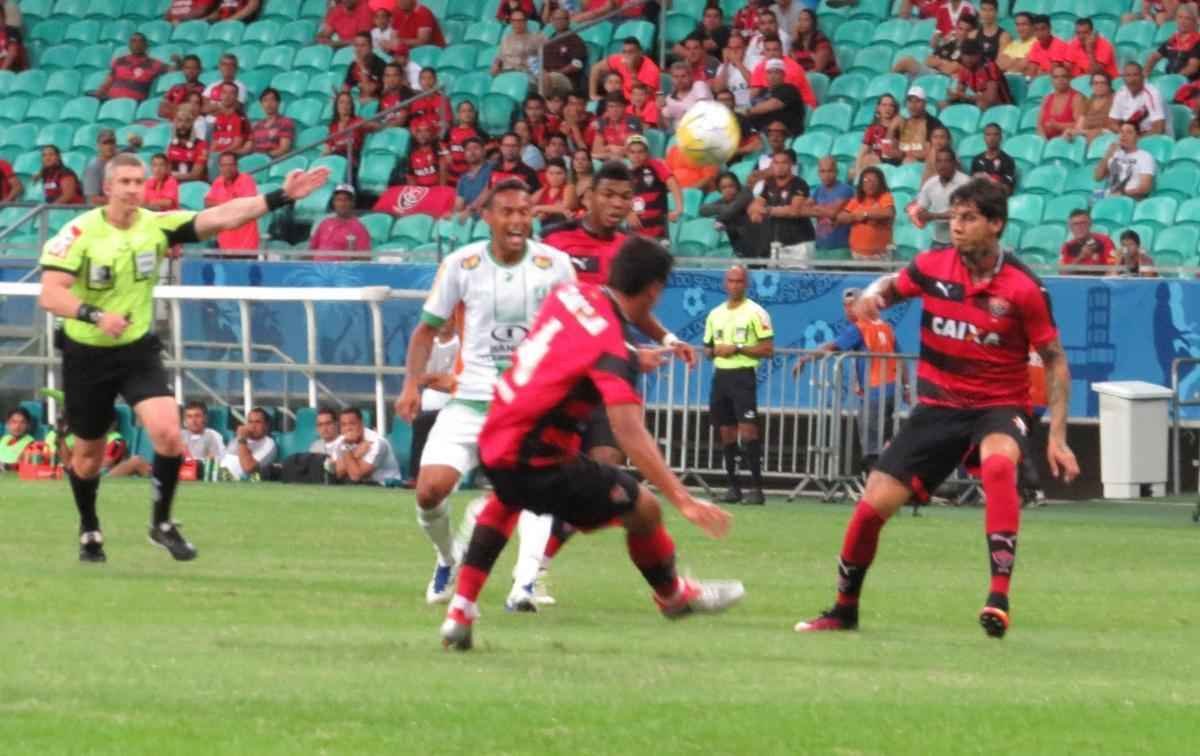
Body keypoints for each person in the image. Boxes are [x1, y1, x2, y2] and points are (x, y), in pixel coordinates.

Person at [794, 177, 1079, 638]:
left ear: (996, 225)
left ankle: (998, 596)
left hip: (998, 404)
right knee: (871, 509)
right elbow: (893, 287)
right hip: (936, 406)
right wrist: (873, 297)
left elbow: (1055, 360)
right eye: (955, 217)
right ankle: (844, 609)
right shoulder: (933, 265)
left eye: (968, 218)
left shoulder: (1025, 289)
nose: (958, 227)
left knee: (999, 467)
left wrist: (1059, 437)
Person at [439, 237, 743, 651]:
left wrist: (637, 356)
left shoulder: (570, 294)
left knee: (506, 497)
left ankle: (460, 610)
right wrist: (682, 498)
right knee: (645, 508)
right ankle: (672, 595)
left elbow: (570, 347)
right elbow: (628, 429)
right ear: (654, 290)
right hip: (539, 458)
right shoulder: (612, 351)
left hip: (496, 434)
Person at [36, 153, 329, 561]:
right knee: (87, 457)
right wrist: (95, 315)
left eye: (139, 182)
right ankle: (89, 528)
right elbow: (51, 293)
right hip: (87, 353)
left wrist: (280, 196)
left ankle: (162, 523)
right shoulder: (77, 233)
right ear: (107, 188)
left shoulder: (156, 226)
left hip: (136, 349)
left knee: (168, 433)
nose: (134, 189)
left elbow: (222, 217)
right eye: (125, 182)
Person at [394, 179, 576, 610]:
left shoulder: (558, 265)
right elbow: (425, 331)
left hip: (530, 404)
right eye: (509, 211)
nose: (518, 220)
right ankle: (446, 559)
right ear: (488, 217)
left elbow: (578, 325)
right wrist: (410, 384)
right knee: (429, 492)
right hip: (471, 400)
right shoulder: (462, 264)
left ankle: (524, 585)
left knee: (534, 492)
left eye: (525, 211)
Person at [793, 288, 905, 474]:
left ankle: (876, 485)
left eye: (853, 305)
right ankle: (889, 479)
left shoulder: (859, 328)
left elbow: (832, 347)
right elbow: (901, 357)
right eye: (845, 306)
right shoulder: (884, 326)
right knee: (884, 439)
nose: (849, 310)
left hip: (875, 392)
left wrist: (805, 358)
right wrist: (907, 388)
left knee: (872, 446)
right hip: (891, 391)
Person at [704, 264, 774, 505]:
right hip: (720, 377)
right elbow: (707, 348)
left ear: (746, 284)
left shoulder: (757, 312)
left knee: (749, 431)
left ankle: (757, 489)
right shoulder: (714, 314)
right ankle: (733, 488)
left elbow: (767, 349)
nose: (734, 285)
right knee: (726, 432)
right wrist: (713, 351)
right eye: (731, 281)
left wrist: (737, 348)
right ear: (725, 284)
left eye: (739, 281)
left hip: (743, 376)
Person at [409, 317, 459, 481]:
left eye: (448, 318)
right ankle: (415, 477)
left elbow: (454, 381)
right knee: (420, 427)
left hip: (453, 404)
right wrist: (439, 379)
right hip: (427, 403)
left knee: (424, 424)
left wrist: (432, 379)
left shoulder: (461, 345)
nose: (444, 321)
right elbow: (420, 377)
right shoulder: (429, 344)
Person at [749, 150, 816, 262]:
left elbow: (794, 211)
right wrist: (755, 212)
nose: (779, 166)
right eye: (776, 163)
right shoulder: (769, 184)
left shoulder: (799, 183)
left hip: (800, 243)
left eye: (783, 163)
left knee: (798, 278)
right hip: (778, 243)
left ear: (790, 165)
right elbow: (757, 204)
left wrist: (768, 210)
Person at [204, 152, 260, 256]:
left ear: (236, 166)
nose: (227, 168)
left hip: (246, 245)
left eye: (230, 165)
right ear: (219, 167)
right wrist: (230, 204)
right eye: (224, 165)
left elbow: (245, 206)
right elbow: (207, 203)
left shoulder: (246, 180)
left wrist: (220, 205)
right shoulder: (218, 182)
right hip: (225, 244)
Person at [328, 407, 401, 485]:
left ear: (361, 424)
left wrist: (347, 450)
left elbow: (355, 476)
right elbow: (338, 473)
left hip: (387, 485)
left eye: (352, 424)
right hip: (363, 485)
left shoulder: (377, 443)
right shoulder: (341, 442)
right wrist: (354, 453)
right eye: (343, 425)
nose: (348, 428)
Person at [838, 166, 896, 262]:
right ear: (861, 184)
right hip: (857, 253)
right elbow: (841, 217)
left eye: (874, 181)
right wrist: (854, 216)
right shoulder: (856, 200)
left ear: (880, 183)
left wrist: (865, 214)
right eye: (866, 181)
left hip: (880, 254)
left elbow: (889, 213)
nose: (870, 184)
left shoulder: (885, 197)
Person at [916, 148, 970, 249]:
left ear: (954, 163)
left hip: (961, 241)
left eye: (947, 161)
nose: (943, 165)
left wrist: (933, 216)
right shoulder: (930, 184)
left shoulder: (965, 183)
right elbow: (920, 210)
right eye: (939, 161)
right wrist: (922, 214)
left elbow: (961, 213)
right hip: (938, 240)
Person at [748, 34, 818, 109]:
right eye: (768, 50)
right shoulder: (760, 66)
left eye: (775, 49)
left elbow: (783, 97)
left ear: (781, 50)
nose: (772, 53)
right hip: (776, 103)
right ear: (763, 52)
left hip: (802, 107)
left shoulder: (793, 68)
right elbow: (753, 94)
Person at [95, 33, 166, 102]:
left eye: (140, 41)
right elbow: (108, 82)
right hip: (112, 102)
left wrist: (177, 63)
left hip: (134, 104)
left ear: (146, 45)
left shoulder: (154, 64)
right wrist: (99, 93)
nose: (137, 44)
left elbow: (172, 69)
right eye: (133, 41)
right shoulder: (119, 61)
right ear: (129, 45)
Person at [701, 171, 757, 258]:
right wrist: (722, 209)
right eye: (724, 187)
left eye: (731, 186)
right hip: (735, 240)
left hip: (751, 239)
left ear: (737, 186)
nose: (728, 190)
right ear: (719, 190)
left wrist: (718, 219)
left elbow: (731, 210)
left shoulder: (745, 193)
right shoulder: (724, 201)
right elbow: (703, 210)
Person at [945, 38, 1012, 110]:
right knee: (944, 104)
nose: (968, 58)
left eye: (972, 54)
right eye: (965, 54)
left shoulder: (989, 67)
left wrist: (964, 96)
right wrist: (954, 95)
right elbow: (960, 92)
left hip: (1001, 106)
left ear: (979, 54)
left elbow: (990, 99)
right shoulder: (964, 68)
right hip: (978, 102)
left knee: (981, 105)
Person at [1095, 122, 1157, 200]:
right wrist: (1108, 154)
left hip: (1130, 198)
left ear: (1137, 137)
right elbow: (1097, 177)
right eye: (1121, 132)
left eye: (1129, 132)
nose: (1124, 135)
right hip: (1111, 195)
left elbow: (1145, 187)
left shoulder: (1145, 157)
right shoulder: (1115, 154)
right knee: (1091, 198)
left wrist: (1122, 194)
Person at [309, 184, 371, 262]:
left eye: (346, 200)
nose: (342, 204)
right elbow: (310, 251)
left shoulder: (359, 228)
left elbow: (366, 258)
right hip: (316, 269)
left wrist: (351, 257)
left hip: (340, 271)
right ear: (334, 203)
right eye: (339, 200)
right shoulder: (325, 223)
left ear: (352, 203)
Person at [589, 37, 661, 102]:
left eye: (631, 52)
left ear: (640, 53)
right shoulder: (620, 59)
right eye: (624, 52)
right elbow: (595, 68)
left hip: (643, 106)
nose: (627, 55)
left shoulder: (651, 70)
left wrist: (631, 68)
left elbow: (642, 99)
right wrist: (593, 95)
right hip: (622, 102)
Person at [748, 58, 806, 134]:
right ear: (765, 75)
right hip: (760, 132)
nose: (773, 76)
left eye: (777, 72)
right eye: (769, 73)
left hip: (783, 133)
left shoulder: (789, 89)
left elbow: (772, 105)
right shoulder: (762, 91)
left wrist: (747, 111)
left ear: (783, 75)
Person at [1109, 62, 1167, 136]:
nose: (1132, 79)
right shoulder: (1121, 93)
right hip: (1130, 135)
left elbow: (1159, 128)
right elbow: (1112, 122)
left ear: (1142, 77)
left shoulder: (1152, 94)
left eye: (1135, 75)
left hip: (1154, 138)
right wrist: (1125, 134)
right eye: (1128, 75)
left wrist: (1135, 138)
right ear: (1123, 78)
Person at [219, 407, 277, 480]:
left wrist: (242, 439)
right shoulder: (238, 439)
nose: (253, 426)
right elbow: (221, 459)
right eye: (250, 422)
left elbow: (248, 467)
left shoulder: (268, 443)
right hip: (219, 477)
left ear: (266, 425)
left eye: (257, 422)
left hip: (238, 482)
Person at [811, 157, 855, 252]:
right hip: (820, 246)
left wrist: (816, 209)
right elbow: (805, 208)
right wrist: (820, 210)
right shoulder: (818, 190)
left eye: (830, 171)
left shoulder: (846, 189)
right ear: (818, 173)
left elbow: (832, 213)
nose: (826, 175)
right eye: (822, 171)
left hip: (840, 247)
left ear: (836, 172)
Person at [207, 83, 251, 178]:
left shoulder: (240, 118)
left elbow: (237, 144)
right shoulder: (219, 117)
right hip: (219, 155)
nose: (227, 96)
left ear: (236, 97)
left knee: (217, 159)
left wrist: (219, 154)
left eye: (232, 93)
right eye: (224, 92)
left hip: (231, 156)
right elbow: (215, 141)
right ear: (220, 95)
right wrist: (210, 153)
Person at [1146, 4, 1200, 79]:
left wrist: (1174, 79)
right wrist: (1145, 73)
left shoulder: (1197, 41)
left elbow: (1192, 68)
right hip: (1169, 80)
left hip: (1188, 84)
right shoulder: (1172, 40)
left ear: (1194, 22)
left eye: (1187, 18)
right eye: (1180, 17)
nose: (1182, 21)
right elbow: (1154, 57)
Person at [855, 95, 903, 177]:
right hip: (876, 164)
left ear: (895, 108)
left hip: (894, 164)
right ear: (878, 108)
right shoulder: (872, 129)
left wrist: (892, 128)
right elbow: (862, 153)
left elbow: (889, 154)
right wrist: (857, 172)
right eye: (884, 105)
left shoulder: (900, 125)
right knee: (861, 163)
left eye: (891, 105)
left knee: (870, 159)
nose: (887, 108)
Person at [491, 7, 545, 77]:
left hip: (525, 74)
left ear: (526, 21)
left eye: (520, 20)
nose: (517, 23)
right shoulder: (506, 39)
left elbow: (548, 51)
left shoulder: (536, 37)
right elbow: (499, 57)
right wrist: (495, 64)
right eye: (514, 21)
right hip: (506, 74)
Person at [898, 86, 945, 165]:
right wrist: (892, 127)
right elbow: (894, 149)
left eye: (917, 101)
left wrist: (908, 153)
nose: (913, 105)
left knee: (909, 161)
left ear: (925, 103)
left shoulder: (934, 124)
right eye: (910, 101)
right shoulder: (904, 123)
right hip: (903, 163)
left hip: (926, 165)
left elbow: (930, 152)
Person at [1059, 209, 1116, 273]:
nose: (1079, 227)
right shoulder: (1067, 246)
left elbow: (1113, 268)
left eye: (1083, 223)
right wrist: (1080, 257)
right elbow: (1062, 273)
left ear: (1090, 224)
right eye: (1075, 224)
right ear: (1070, 227)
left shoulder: (1104, 241)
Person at [661, 61, 714, 131]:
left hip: (704, 131)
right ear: (671, 79)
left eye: (683, 76)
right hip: (679, 136)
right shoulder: (669, 99)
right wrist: (659, 110)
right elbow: (665, 127)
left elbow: (702, 111)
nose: (679, 80)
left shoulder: (699, 86)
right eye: (676, 77)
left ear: (691, 77)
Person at [589, 93, 642, 161]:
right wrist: (609, 148)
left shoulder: (632, 121)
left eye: (618, 106)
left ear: (624, 107)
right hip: (608, 160)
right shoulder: (603, 122)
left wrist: (608, 151)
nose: (614, 110)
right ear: (607, 108)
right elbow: (595, 151)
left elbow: (632, 150)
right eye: (611, 106)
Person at [1038, 64, 1084, 140]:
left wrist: (1058, 126)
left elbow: (1080, 126)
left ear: (1070, 78)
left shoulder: (1077, 98)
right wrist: (1043, 141)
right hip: (1046, 143)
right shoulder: (1047, 98)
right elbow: (1039, 125)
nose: (1060, 80)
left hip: (1068, 143)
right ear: (1051, 80)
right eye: (1056, 77)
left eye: (1064, 76)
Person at [246, 88, 295, 159]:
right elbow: (250, 147)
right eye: (265, 100)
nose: (269, 104)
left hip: (273, 161)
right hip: (255, 160)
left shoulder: (285, 122)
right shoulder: (257, 126)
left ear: (278, 103)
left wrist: (265, 158)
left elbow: (284, 149)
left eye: (272, 100)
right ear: (261, 104)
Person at [969, 122, 1017, 195]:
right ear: (984, 137)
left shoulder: (1008, 160)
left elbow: (1008, 190)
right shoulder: (976, 159)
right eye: (988, 134)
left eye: (996, 134)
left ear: (1001, 137)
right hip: (979, 198)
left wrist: (989, 180)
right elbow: (971, 185)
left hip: (996, 200)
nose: (992, 138)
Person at [790, 9, 839, 77]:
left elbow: (818, 69)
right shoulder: (797, 42)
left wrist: (800, 77)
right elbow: (793, 64)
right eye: (800, 20)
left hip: (824, 78)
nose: (801, 23)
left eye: (806, 20)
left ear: (813, 23)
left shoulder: (822, 42)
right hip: (804, 77)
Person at [714, 31, 753, 110]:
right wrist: (725, 63)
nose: (734, 51)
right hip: (731, 108)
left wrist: (738, 62)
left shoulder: (754, 61)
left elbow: (754, 83)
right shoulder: (723, 67)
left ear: (745, 48)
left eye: (738, 48)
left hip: (750, 107)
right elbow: (718, 89)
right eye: (731, 48)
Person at [158, 55, 205, 121]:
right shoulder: (175, 87)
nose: (190, 71)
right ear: (183, 70)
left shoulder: (204, 90)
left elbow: (199, 112)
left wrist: (173, 108)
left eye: (194, 68)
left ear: (200, 70)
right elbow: (161, 111)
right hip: (172, 123)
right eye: (187, 68)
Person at [167, 109, 209, 183]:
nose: (183, 125)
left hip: (193, 187)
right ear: (175, 123)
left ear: (192, 124)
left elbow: (196, 175)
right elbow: (167, 170)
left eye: (187, 121)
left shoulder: (201, 145)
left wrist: (174, 176)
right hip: (174, 186)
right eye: (180, 120)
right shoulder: (171, 144)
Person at [531, 157, 574, 228]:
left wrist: (539, 208)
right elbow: (528, 205)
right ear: (546, 174)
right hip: (543, 225)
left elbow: (566, 207)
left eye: (559, 173)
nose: (555, 177)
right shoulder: (544, 189)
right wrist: (539, 213)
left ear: (565, 174)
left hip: (562, 226)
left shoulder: (569, 187)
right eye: (551, 173)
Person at [1072, 73, 1116, 143]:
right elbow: (1079, 126)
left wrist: (1088, 132)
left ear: (1109, 85)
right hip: (1086, 136)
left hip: (1106, 138)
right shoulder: (1090, 100)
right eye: (1095, 83)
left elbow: (1113, 128)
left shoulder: (1115, 99)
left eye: (1103, 83)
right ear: (1091, 85)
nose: (1099, 86)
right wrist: (1074, 132)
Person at [83, 130, 120, 206]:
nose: (109, 146)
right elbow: (93, 199)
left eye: (111, 143)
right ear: (99, 145)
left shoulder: (121, 163)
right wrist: (121, 200)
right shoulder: (94, 168)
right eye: (105, 143)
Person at [0, 406, 33, 471]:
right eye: (14, 422)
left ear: (28, 425)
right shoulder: (4, 439)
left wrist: (4, 466)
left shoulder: (31, 445)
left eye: (22, 422)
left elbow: (21, 466)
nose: (17, 426)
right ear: (7, 424)